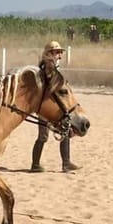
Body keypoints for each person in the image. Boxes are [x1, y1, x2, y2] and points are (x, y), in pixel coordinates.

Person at [30, 40, 80, 173]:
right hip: (47, 107)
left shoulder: (54, 69)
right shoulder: (47, 70)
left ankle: (65, 162)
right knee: (43, 136)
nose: (60, 56)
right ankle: (36, 164)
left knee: (64, 131)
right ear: (49, 53)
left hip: (54, 107)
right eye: (57, 52)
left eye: (60, 53)